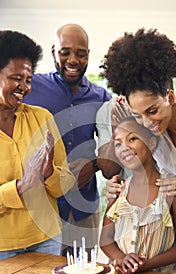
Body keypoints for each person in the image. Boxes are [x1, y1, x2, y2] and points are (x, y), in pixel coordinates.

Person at [99, 28, 176, 274]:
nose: (148, 123)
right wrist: (117, 126)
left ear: (171, 96)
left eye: (152, 111)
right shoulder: (151, 133)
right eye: (139, 115)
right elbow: (124, 154)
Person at [24, 23, 111, 256]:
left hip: (84, 208)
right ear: (54, 51)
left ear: (88, 56)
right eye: (66, 52)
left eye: (80, 54)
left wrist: (92, 165)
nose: (73, 59)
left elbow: (114, 148)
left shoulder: (101, 96)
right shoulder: (31, 87)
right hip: (43, 208)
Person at [0, 30, 75, 261]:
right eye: (16, 78)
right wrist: (22, 186)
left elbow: (66, 182)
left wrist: (49, 172)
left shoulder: (42, 118)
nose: (24, 86)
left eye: (28, 80)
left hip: (47, 238)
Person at [100, 117, 176, 274]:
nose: (124, 147)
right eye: (118, 143)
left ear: (151, 143)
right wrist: (121, 259)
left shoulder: (171, 190)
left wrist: (144, 265)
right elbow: (105, 239)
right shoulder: (119, 190)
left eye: (132, 139)